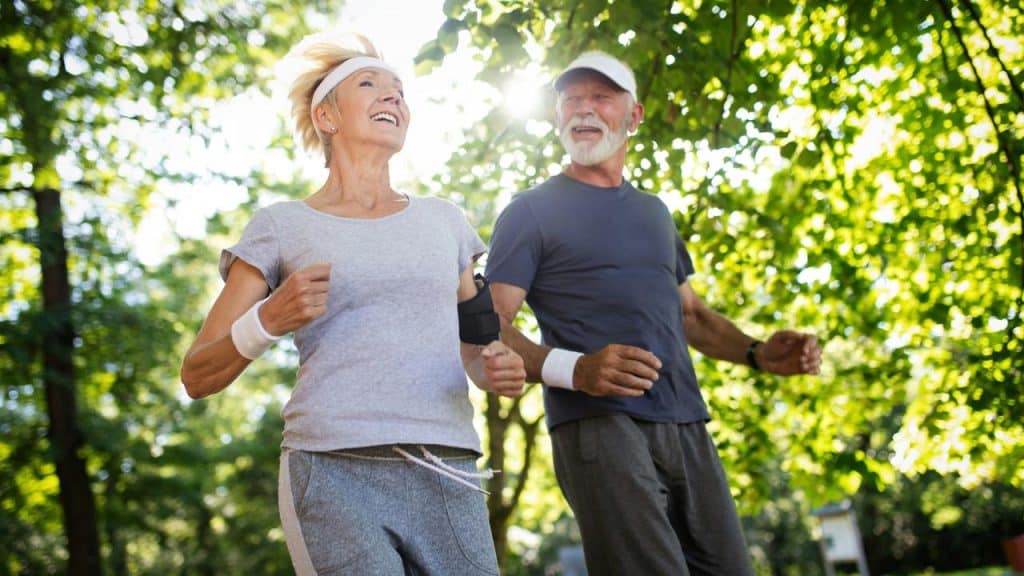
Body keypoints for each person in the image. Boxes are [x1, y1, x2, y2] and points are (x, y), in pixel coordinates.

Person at [180, 32, 525, 575]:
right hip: (333, 468)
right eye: (370, 85)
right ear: (326, 116)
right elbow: (198, 374)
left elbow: (477, 350)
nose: (393, 98)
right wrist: (269, 319)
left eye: (400, 91)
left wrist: (495, 369)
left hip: (448, 463)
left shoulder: (445, 221)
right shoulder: (281, 226)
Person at [485, 50, 823, 576]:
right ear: (556, 115)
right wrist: (578, 368)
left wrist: (757, 353)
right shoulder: (529, 211)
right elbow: (491, 323)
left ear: (634, 115)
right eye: (572, 98)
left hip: (687, 422)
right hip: (599, 425)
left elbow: (692, 316)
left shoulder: (655, 213)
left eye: (602, 96)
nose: (584, 109)